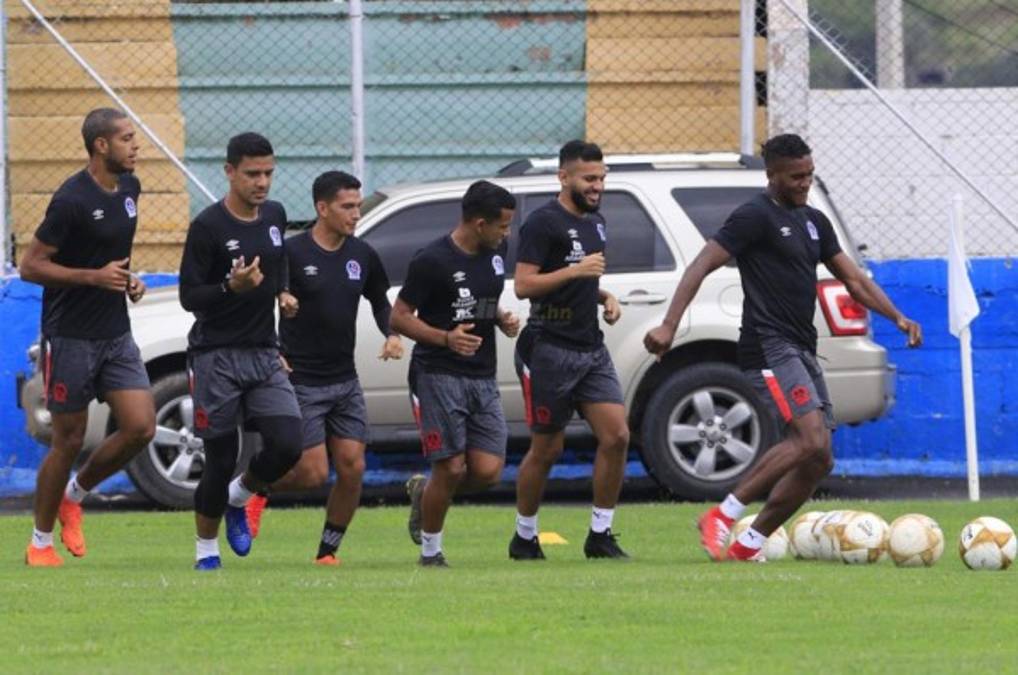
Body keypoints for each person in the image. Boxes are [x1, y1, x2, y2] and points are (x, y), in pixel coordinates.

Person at [644, 133, 923, 562]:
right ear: (771, 174)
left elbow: (854, 281)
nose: (804, 183)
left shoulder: (814, 221)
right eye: (795, 176)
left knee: (820, 459)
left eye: (809, 174)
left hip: (801, 349)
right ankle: (722, 514)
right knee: (808, 439)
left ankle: (747, 544)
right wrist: (668, 324)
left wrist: (897, 316)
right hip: (768, 347)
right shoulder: (753, 217)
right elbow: (702, 264)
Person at [243, 170, 403, 565]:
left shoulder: (361, 255)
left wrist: (393, 334)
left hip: (344, 380)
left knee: (353, 467)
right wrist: (273, 345)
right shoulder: (291, 254)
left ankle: (327, 552)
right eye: (347, 207)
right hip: (301, 379)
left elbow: (380, 302)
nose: (355, 214)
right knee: (312, 474)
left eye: (357, 206)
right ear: (322, 208)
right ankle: (253, 488)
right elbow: (258, 303)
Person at [20, 108, 155, 567]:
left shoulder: (132, 188)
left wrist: (127, 280)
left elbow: (111, 258)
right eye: (127, 139)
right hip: (70, 335)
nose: (136, 146)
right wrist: (92, 278)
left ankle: (73, 496)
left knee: (140, 426)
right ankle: (39, 543)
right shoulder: (71, 200)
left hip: (115, 332)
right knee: (69, 440)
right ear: (101, 145)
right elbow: (31, 265)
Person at [178, 132, 304, 570]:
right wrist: (230, 286)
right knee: (220, 457)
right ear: (230, 172)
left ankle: (240, 496)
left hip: (263, 352)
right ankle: (206, 551)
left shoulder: (274, 214)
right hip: (216, 354)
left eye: (269, 173)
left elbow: (279, 257)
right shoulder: (208, 227)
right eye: (253, 174)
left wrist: (282, 292)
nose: (263, 182)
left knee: (288, 443)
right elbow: (189, 296)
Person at [508, 140, 630, 561]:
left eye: (601, 178)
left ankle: (601, 534)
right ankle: (524, 536)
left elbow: (582, 281)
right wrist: (576, 270)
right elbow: (524, 285)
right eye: (589, 178)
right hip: (548, 346)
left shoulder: (596, 223)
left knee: (616, 436)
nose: (597, 186)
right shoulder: (542, 223)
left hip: (590, 346)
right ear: (564, 177)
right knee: (548, 449)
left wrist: (604, 296)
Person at [392, 180, 519, 567]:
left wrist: (499, 318)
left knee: (487, 470)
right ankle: (431, 553)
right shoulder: (432, 260)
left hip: (482, 375)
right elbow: (399, 316)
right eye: (502, 225)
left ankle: (425, 493)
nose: (507, 233)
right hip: (438, 373)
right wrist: (445, 338)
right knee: (450, 466)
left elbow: (482, 299)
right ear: (479, 224)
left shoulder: (497, 252)